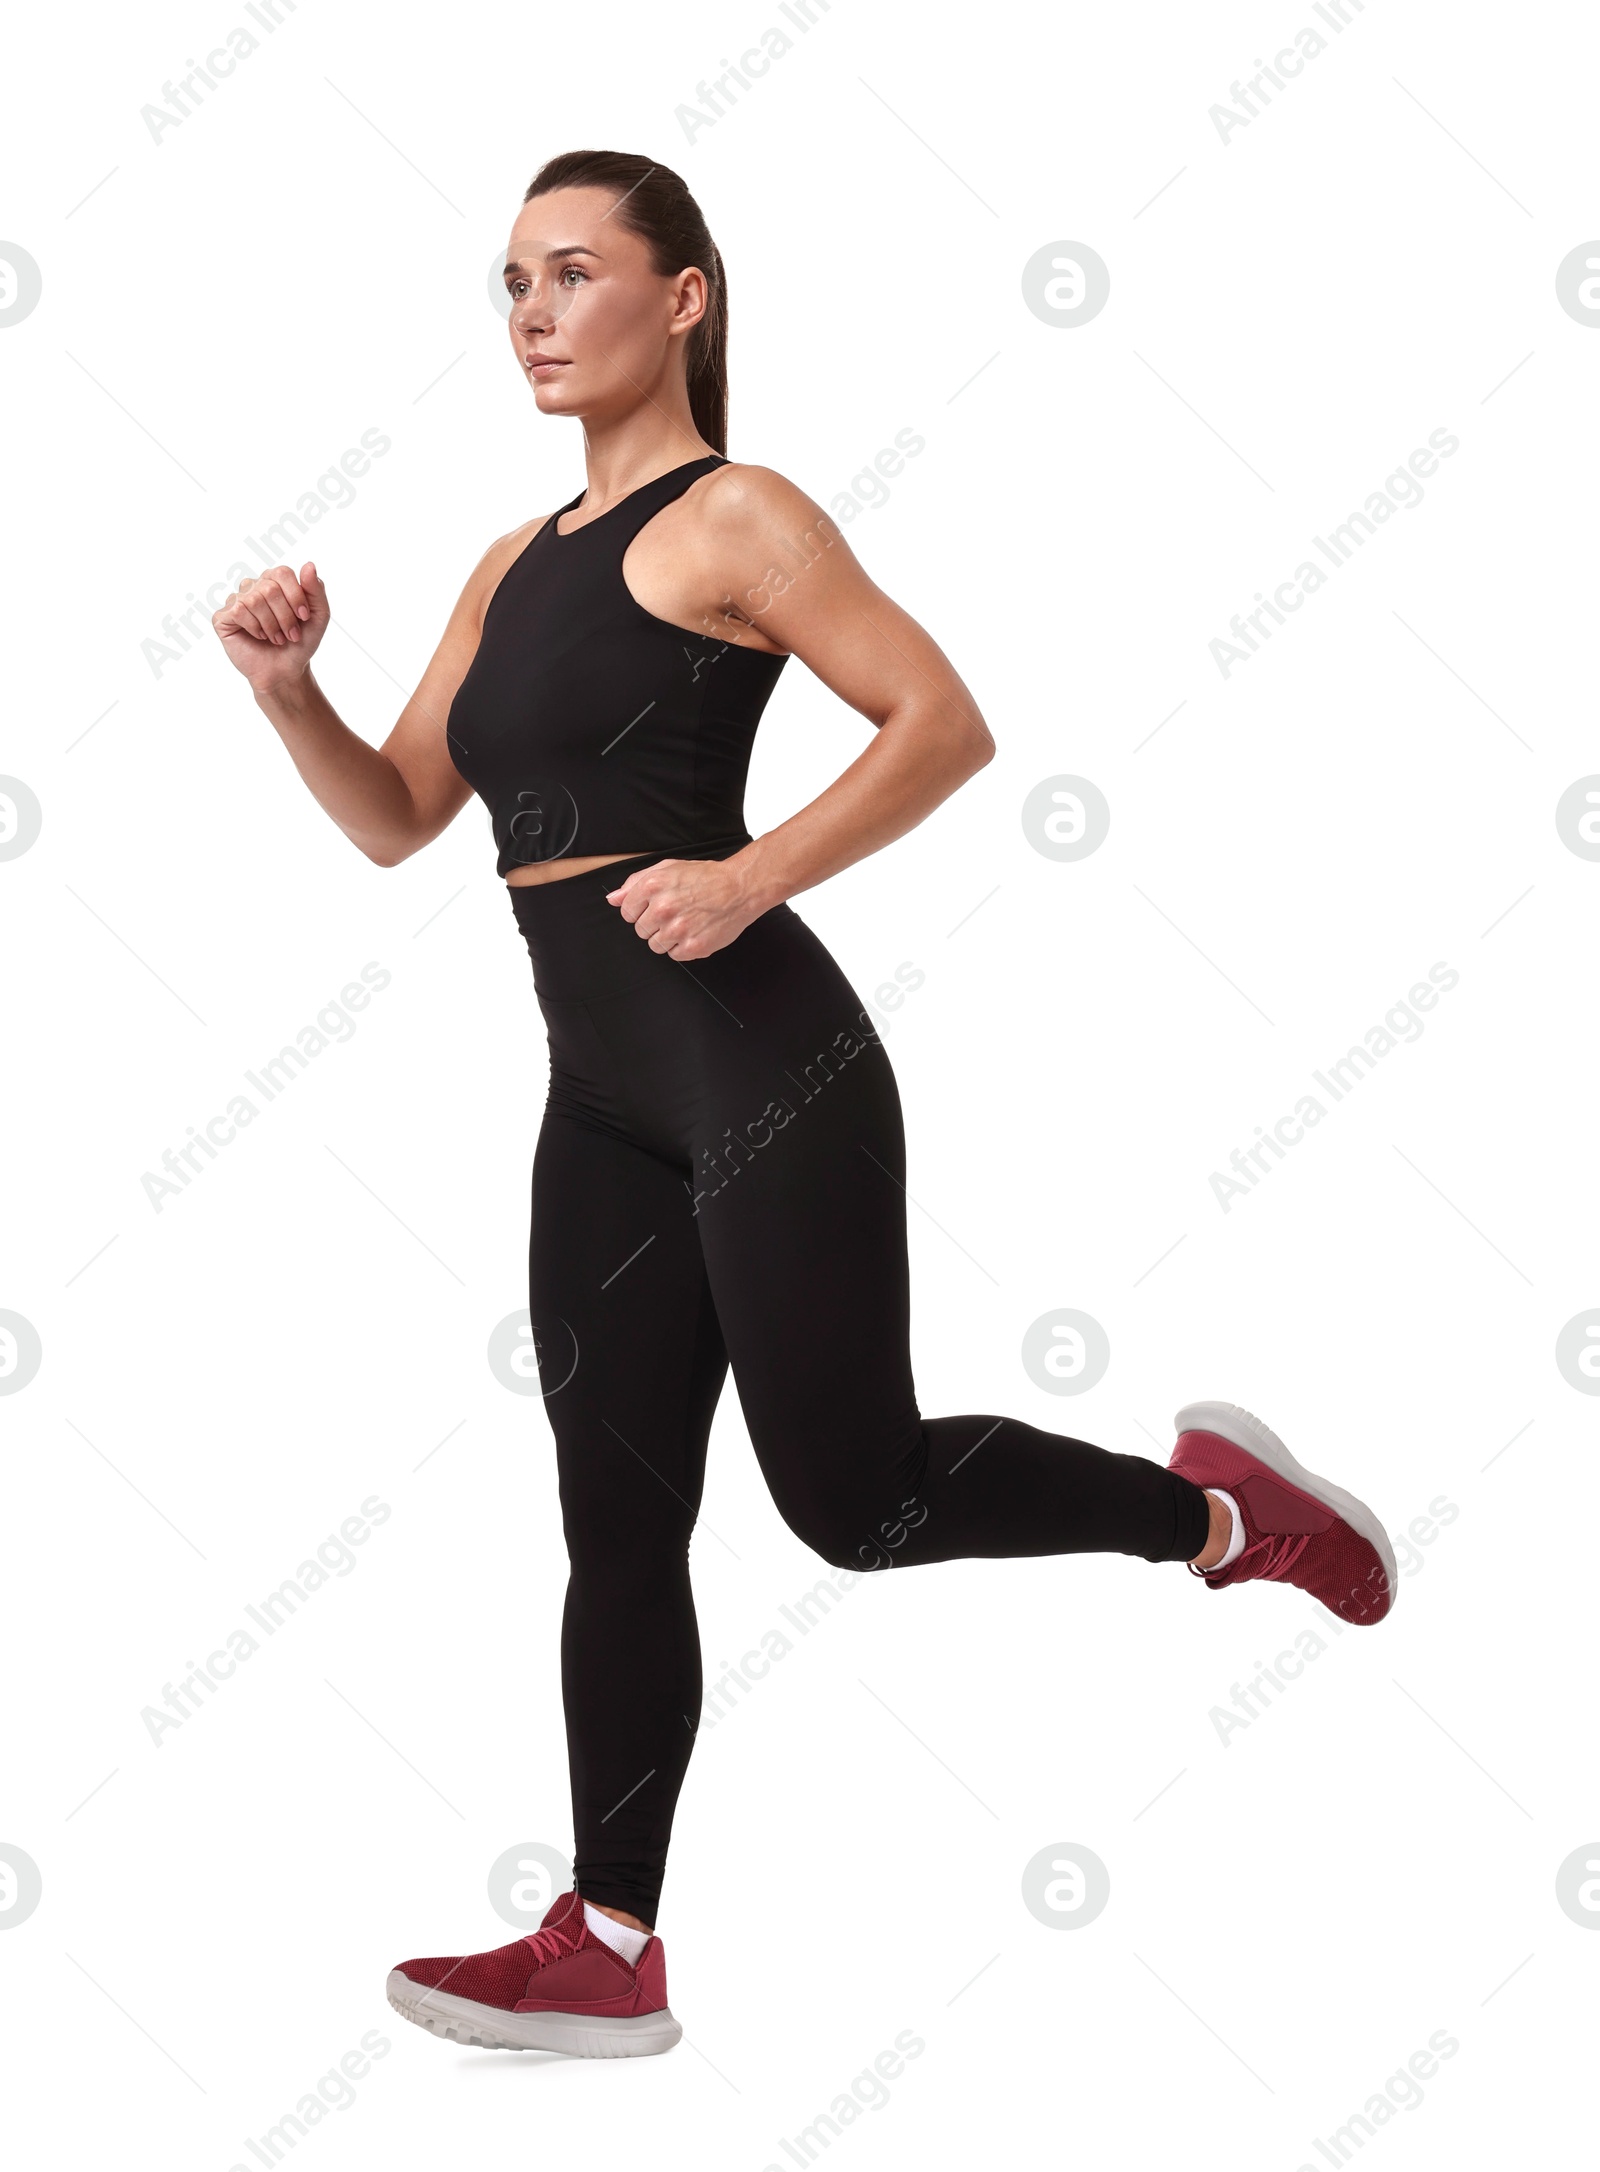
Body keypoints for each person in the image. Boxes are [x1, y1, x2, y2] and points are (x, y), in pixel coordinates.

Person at [212, 148, 1397, 2061]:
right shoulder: (507, 568)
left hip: (767, 1063)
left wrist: (752, 874)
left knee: (855, 1502)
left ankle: (1216, 1521)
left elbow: (942, 719)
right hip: (597, 1094)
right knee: (616, 1523)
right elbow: (396, 822)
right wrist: (289, 695)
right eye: (509, 279)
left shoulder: (736, 515)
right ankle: (609, 1941)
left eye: (573, 270)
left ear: (682, 297)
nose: (529, 309)